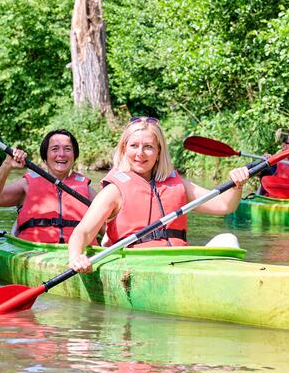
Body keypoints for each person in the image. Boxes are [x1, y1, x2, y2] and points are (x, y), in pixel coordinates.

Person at [68, 116, 250, 273]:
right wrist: (76, 257)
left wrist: (236, 186)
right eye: (134, 146)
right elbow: (83, 232)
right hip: (136, 264)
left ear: (158, 152)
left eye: (148, 147)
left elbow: (225, 205)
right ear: (124, 149)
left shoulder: (177, 185)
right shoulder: (114, 191)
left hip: (177, 261)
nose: (140, 153)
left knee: (228, 239)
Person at [0, 129, 98, 244]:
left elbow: (107, 227)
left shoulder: (87, 190)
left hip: (78, 254)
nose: (61, 154)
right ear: (45, 157)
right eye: (55, 149)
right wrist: (7, 165)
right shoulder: (26, 185)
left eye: (67, 149)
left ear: (74, 156)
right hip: (32, 251)